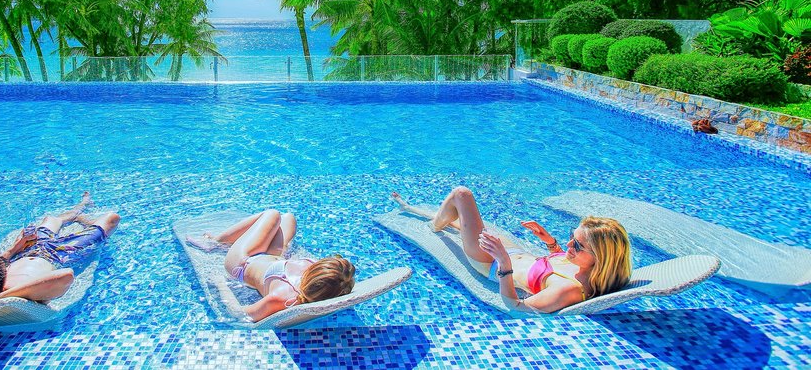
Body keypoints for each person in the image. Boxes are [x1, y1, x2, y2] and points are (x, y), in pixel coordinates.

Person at [391, 187, 631, 313]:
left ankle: (433, 224)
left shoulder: (567, 289)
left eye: (577, 245)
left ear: (601, 258)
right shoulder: (584, 264)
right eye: (571, 237)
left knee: (462, 195)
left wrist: (504, 265)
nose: (569, 245)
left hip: (490, 261)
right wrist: (550, 243)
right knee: (459, 222)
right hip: (512, 252)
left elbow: (517, 308)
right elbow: (559, 264)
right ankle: (415, 210)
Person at [0, 193, 120, 306]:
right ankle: (82, 213)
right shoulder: (15, 290)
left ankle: (80, 209)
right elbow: (65, 276)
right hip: (60, 254)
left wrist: (14, 249)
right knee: (112, 218)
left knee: (52, 219)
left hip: (29, 250)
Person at [187, 209, 356, 321]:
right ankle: (271, 242)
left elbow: (240, 313)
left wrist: (219, 284)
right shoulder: (326, 281)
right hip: (273, 258)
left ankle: (215, 242)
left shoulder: (282, 297)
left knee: (272, 214)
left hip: (243, 262)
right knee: (288, 217)